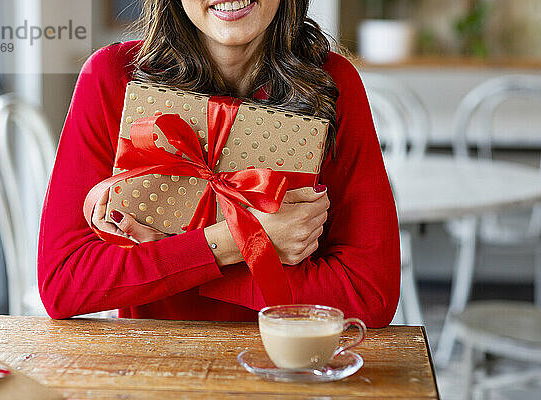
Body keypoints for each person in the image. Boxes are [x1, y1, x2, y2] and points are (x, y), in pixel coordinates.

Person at [37, 0, 400, 327]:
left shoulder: (332, 84)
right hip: (158, 365)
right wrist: (245, 241)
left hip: (295, 363)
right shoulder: (113, 77)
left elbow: (370, 294)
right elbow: (65, 283)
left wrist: (173, 253)